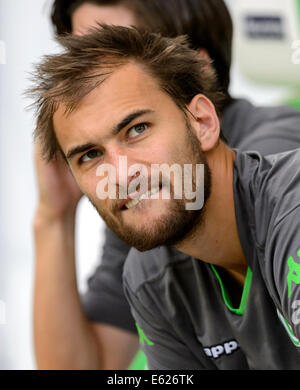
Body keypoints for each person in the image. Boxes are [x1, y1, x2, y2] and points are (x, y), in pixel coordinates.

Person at [32, 0, 300, 370]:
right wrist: (52, 215)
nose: (121, 174)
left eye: (137, 129)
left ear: (202, 118)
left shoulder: (285, 192)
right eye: (89, 154)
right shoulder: (148, 260)